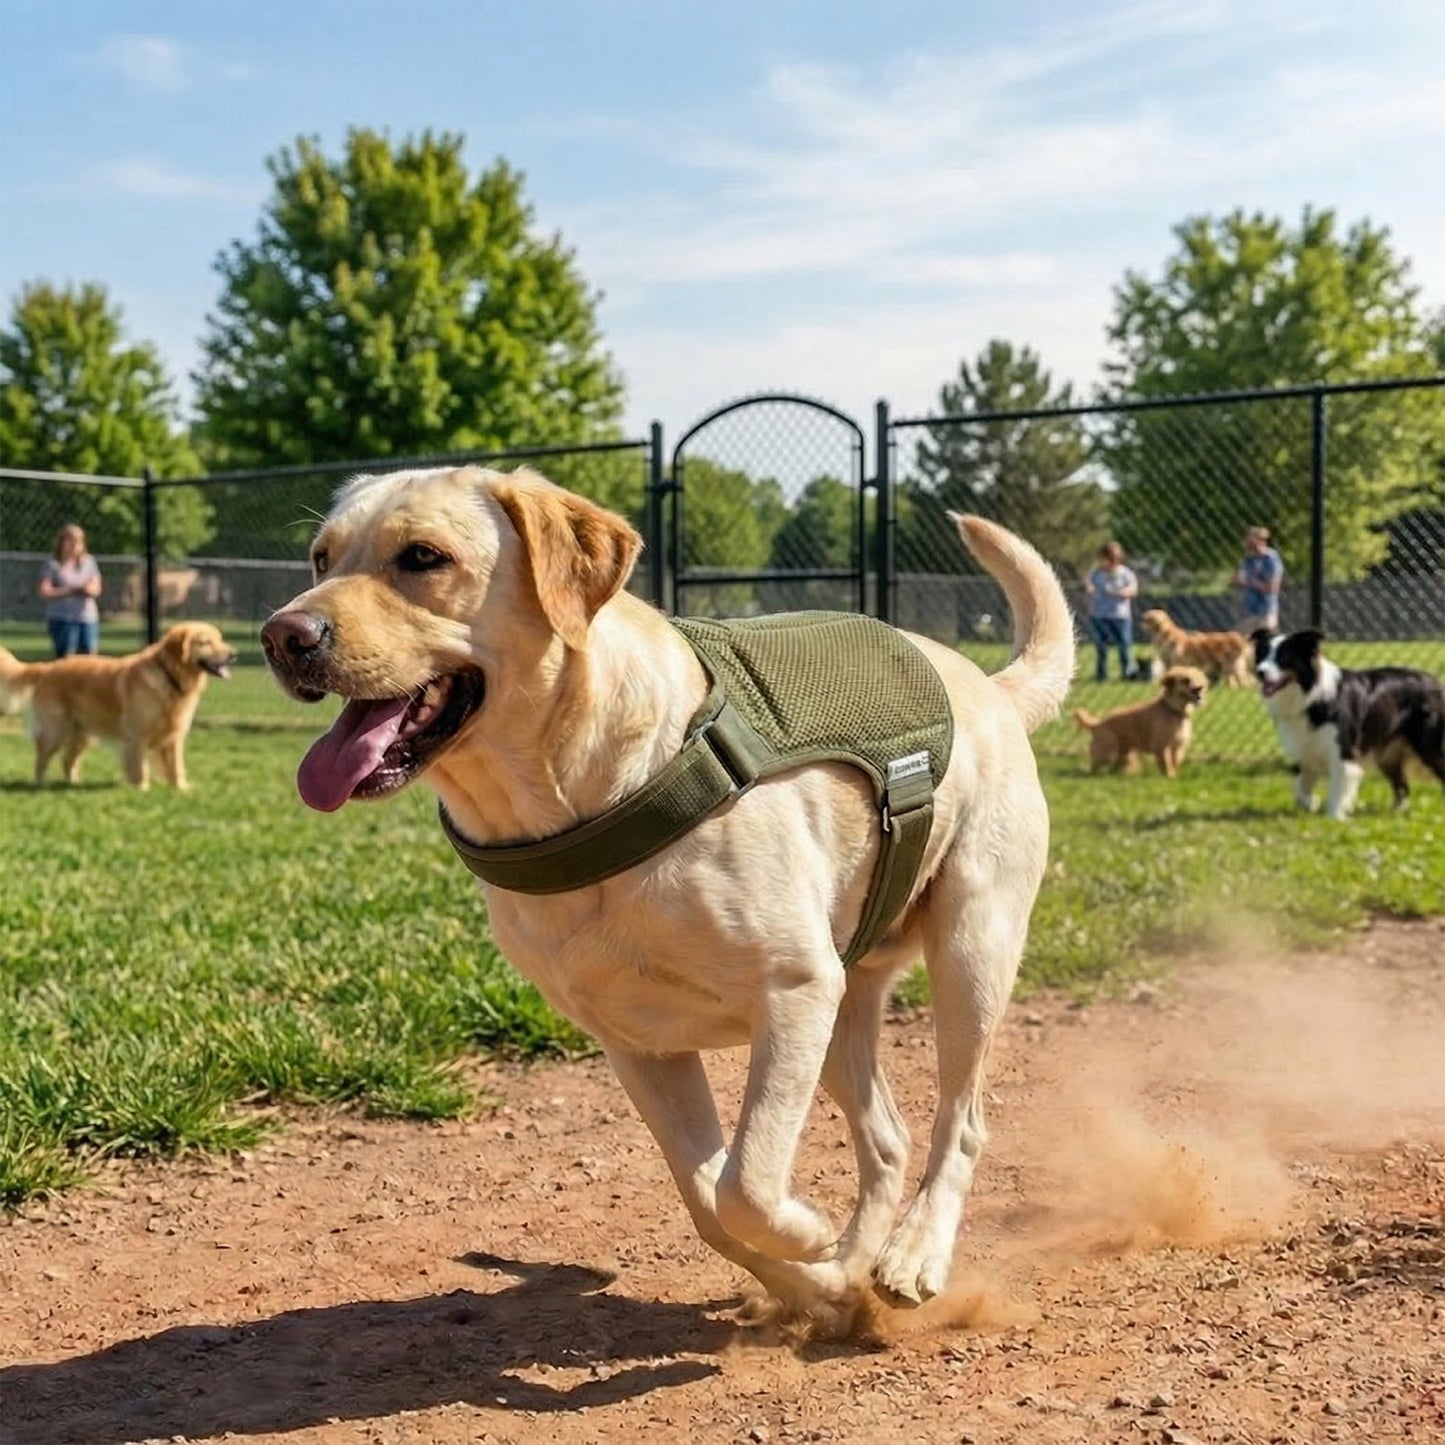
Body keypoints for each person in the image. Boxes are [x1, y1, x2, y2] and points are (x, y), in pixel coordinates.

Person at [37, 523, 103, 657]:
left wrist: (87, 590)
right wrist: (69, 590)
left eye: (78, 542)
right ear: (61, 542)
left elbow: (96, 588)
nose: (74, 545)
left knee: (89, 657)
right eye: (70, 541)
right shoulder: (53, 564)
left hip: (86, 618)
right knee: (67, 658)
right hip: (62, 618)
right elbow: (44, 591)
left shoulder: (89, 562)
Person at [1085, 540, 1138, 683]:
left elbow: (1133, 590)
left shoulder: (1125, 573)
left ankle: (1127, 672)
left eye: (1113, 559)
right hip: (1100, 615)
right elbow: (1089, 589)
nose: (1110, 563)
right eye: (1107, 559)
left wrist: (1118, 593)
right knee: (1101, 645)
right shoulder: (1096, 573)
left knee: (1124, 644)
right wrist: (1090, 605)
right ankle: (1101, 674)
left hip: (1120, 615)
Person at [1235, 525, 1283, 633]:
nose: (1246, 542)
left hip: (1266, 609)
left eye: (1250, 539)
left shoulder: (1270, 559)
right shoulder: (1248, 560)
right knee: (1240, 637)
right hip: (1249, 610)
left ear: (1261, 541)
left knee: (1265, 633)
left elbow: (1272, 588)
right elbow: (1237, 580)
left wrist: (1250, 582)